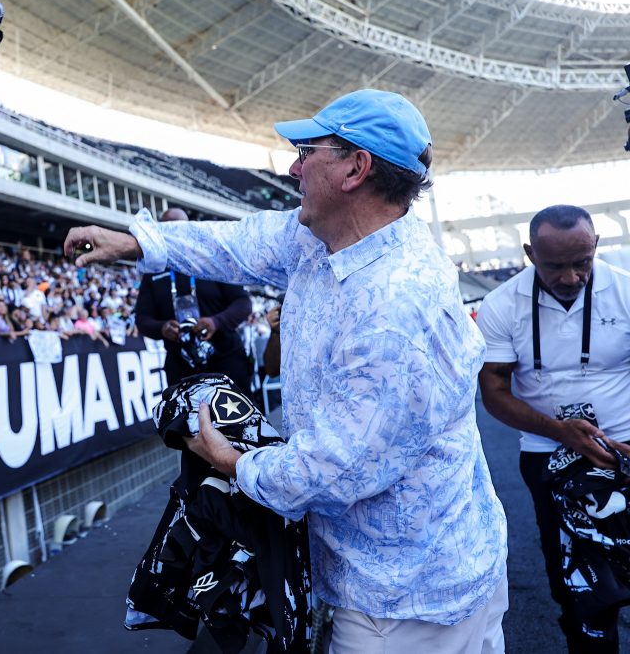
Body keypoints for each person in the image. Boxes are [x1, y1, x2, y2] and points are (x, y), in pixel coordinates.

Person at [64, 89, 508, 652]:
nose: (295, 166)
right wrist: (136, 242)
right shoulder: (322, 239)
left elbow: (335, 470)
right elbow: (238, 242)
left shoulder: (396, 305)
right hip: (401, 580)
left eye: (307, 150)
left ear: (355, 168)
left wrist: (233, 461)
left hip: (406, 603)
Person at [476, 205, 630, 653]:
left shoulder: (624, 291)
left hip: (625, 449)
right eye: (554, 266)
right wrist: (562, 432)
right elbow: (495, 394)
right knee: (575, 580)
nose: (570, 277)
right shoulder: (501, 304)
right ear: (529, 253)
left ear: (596, 246)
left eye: (582, 262)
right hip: (548, 456)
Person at [135, 207, 253, 392]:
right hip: (180, 365)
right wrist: (162, 328)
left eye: (180, 228)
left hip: (226, 359)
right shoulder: (153, 271)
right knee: (186, 420)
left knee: (237, 420)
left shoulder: (211, 260)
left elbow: (243, 303)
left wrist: (216, 322)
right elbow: (142, 319)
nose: (174, 233)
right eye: (167, 229)